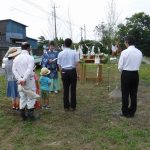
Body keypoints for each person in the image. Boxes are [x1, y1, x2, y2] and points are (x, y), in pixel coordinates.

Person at [118, 35, 143, 118]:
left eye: (125, 42)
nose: (124, 43)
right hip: (135, 74)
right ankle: (132, 111)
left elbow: (120, 66)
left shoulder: (125, 52)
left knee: (125, 94)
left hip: (126, 74)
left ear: (127, 42)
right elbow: (139, 64)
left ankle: (125, 112)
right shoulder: (139, 52)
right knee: (133, 94)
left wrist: (123, 72)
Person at [12, 42, 37, 121]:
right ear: (28, 48)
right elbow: (29, 69)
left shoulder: (16, 58)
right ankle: (30, 116)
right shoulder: (30, 58)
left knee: (22, 97)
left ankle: (23, 116)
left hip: (20, 81)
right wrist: (23, 79)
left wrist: (20, 79)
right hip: (28, 80)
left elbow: (14, 69)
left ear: (21, 47)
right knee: (31, 97)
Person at [57, 38, 79, 111]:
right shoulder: (74, 52)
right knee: (73, 90)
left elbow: (59, 65)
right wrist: (78, 74)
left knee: (65, 90)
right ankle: (73, 106)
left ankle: (66, 106)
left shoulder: (60, 53)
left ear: (64, 44)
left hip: (64, 72)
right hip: (72, 71)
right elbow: (77, 64)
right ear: (71, 44)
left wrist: (61, 74)